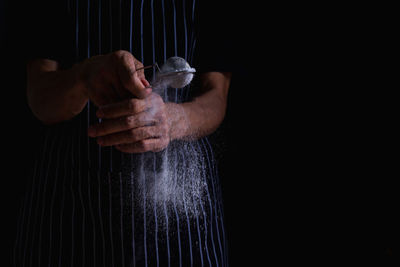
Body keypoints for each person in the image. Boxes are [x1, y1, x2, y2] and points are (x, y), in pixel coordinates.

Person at [14, 0, 233, 266]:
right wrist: (82, 77)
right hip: (71, 215)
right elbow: (40, 96)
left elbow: (216, 96)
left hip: (182, 225)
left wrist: (175, 120)